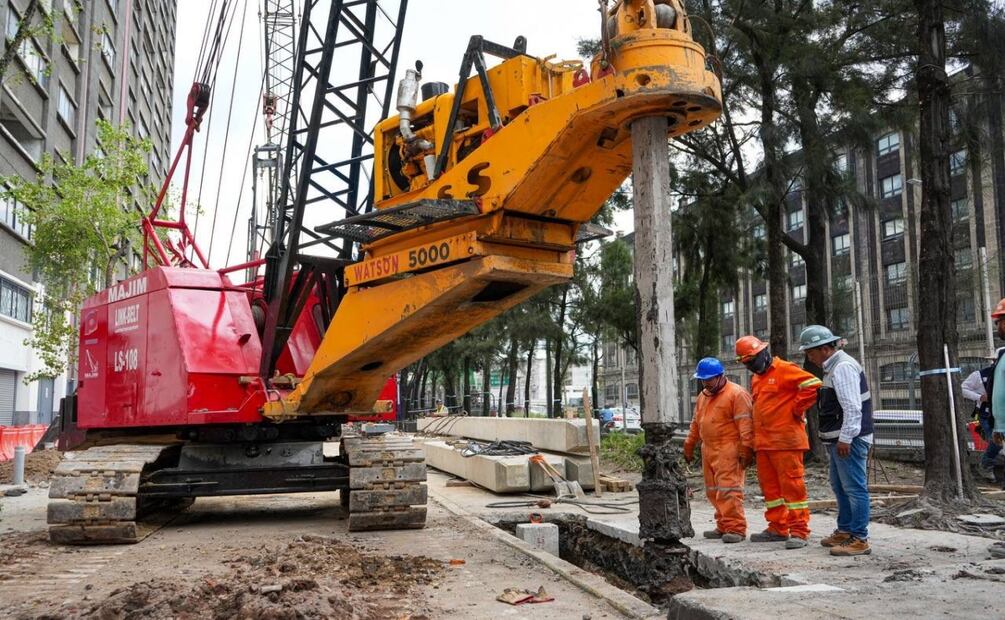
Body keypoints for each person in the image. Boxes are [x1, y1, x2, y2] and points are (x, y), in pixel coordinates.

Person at [735, 335, 821, 549]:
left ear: (763, 353)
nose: (750, 367)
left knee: (793, 487)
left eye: (751, 361)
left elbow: (814, 384)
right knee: (771, 490)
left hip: (786, 442)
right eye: (746, 364)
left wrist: (797, 408)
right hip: (764, 444)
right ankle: (778, 527)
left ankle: (799, 530)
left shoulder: (784, 369)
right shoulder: (757, 378)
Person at [800, 325, 873, 557]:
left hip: (849, 440)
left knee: (854, 488)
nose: (808, 357)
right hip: (841, 440)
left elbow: (853, 407)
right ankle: (845, 530)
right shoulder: (833, 367)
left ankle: (859, 537)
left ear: (824, 348)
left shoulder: (842, 368)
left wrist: (846, 438)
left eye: (810, 352)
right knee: (840, 486)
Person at [683, 357, 755, 544]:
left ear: (720, 376)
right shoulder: (703, 397)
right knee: (713, 490)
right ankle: (723, 524)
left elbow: (745, 424)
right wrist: (689, 444)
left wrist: (746, 448)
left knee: (728, 489)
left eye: (709, 379)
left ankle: (736, 528)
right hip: (709, 448)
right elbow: (696, 423)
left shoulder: (737, 394)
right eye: (703, 380)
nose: (706, 383)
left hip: (728, 448)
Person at [962, 360, 1001, 482]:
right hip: (986, 415)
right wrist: (979, 397)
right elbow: (963, 388)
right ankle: (985, 465)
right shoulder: (978, 375)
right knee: (997, 441)